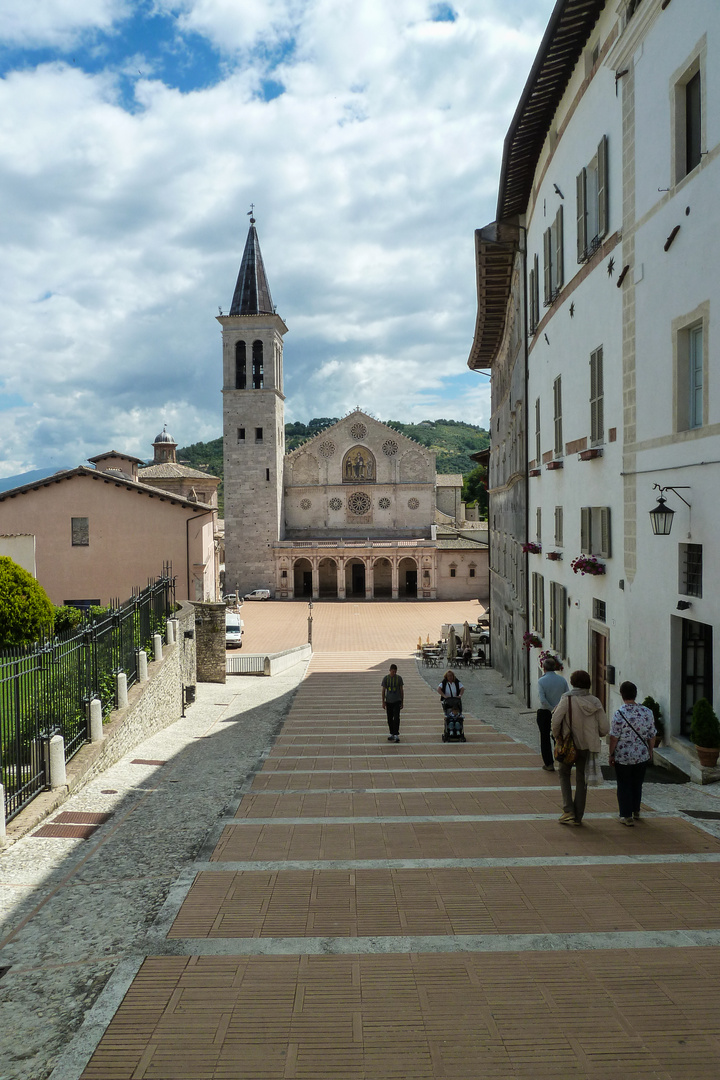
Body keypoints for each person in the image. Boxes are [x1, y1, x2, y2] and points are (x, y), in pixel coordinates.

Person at [551, 670, 608, 826]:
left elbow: (556, 721)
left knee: (563, 773)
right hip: (588, 746)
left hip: (570, 745)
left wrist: (558, 736)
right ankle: (578, 816)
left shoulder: (567, 699)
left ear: (573, 682)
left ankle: (568, 810)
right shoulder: (595, 702)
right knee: (582, 779)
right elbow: (604, 728)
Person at [609, 681, 656, 826]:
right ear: (635, 694)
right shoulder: (647, 712)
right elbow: (652, 734)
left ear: (622, 695)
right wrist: (650, 750)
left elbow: (614, 737)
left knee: (624, 784)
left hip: (623, 755)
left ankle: (626, 815)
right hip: (641, 754)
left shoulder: (619, 713)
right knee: (637, 783)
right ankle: (636, 810)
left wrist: (611, 754)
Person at [537, 659, 569, 772]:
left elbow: (543, 700)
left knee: (544, 738)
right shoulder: (562, 680)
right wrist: (558, 709)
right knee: (559, 737)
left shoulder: (541, 681)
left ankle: (549, 764)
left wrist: (552, 710)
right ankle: (561, 762)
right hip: (560, 712)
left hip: (545, 712)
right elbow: (567, 696)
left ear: (544, 668)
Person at [381, 663, 404, 743]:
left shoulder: (399, 679)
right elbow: (384, 690)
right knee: (389, 718)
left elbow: (401, 690)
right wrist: (383, 702)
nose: (394, 673)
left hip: (397, 701)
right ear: (390, 670)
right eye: (392, 671)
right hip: (389, 701)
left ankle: (396, 733)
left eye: (395, 672)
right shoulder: (386, 679)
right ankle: (391, 733)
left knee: (396, 717)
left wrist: (402, 701)